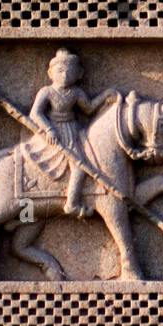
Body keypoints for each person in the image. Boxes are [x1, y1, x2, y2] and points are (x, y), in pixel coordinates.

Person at [27, 48, 118, 217]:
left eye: (70, 71)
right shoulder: (46, 92)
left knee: (88, 161)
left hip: (72, 131)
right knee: (78, 168)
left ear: (79, 74)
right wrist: (48, 129)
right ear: (51, 73)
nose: (65, 75)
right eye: (60, 71)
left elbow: (89, 109)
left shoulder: (76, 92)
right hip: (53, 133)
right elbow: (35, 113)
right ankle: (72, 204)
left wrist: (105, 96)